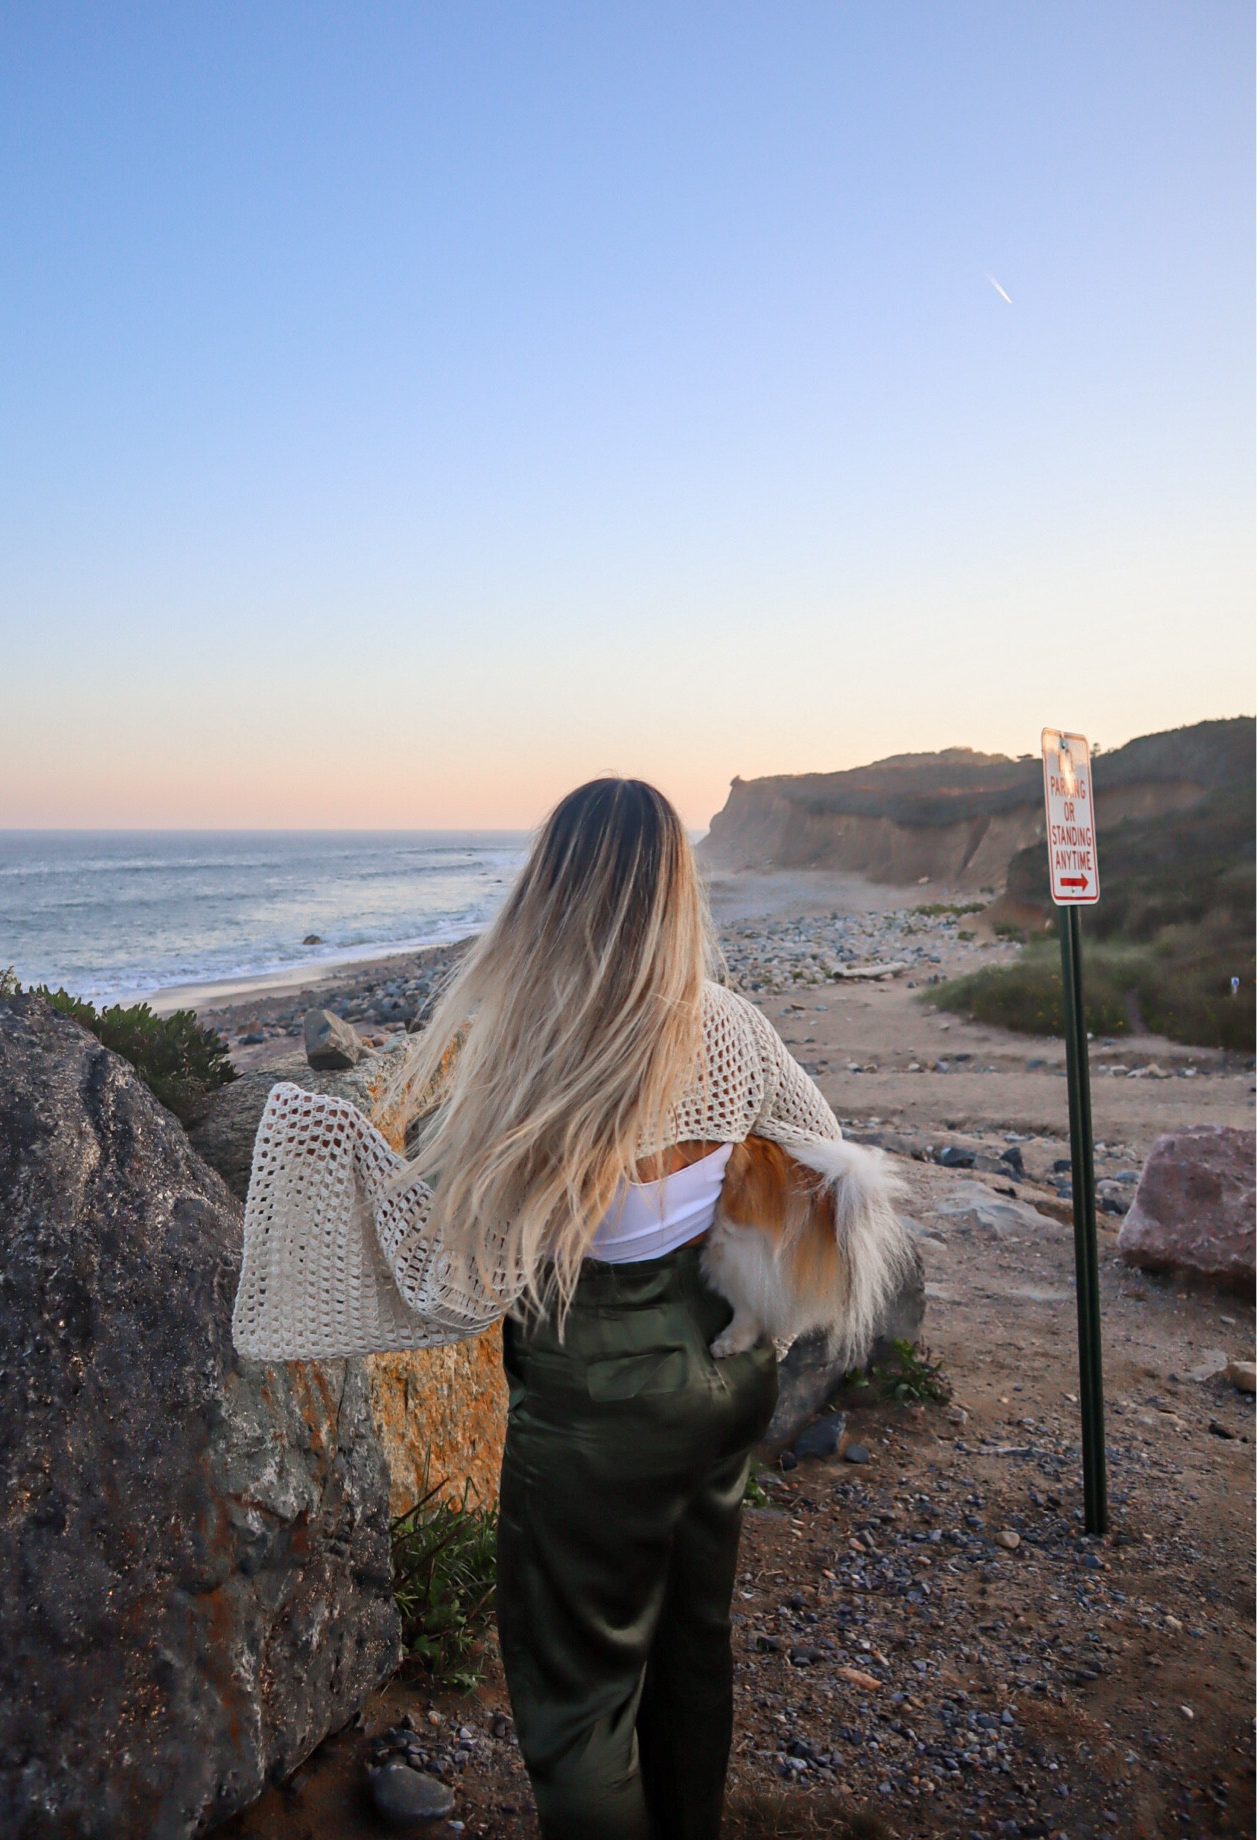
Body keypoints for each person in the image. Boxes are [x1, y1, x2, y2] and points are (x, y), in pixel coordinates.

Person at [233, 777, 846, 1840]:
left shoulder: (530, 1049)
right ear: (672, 887)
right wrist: (751, 1271)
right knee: (692, 1643)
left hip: (596, 1410)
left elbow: (458, 1262)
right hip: (722, 1378)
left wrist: (329, 1147)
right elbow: (823, 1155)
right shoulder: (735, 1029)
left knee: (579, 1699)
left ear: (552, 887)